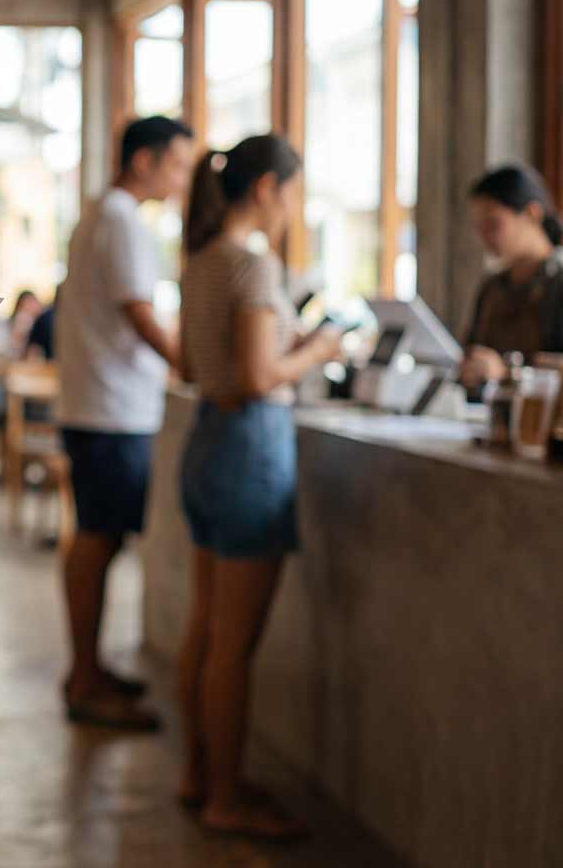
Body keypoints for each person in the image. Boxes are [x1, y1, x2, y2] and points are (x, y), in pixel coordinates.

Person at [175, 135, 342, 840]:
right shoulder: (253, 264)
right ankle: (224, 796)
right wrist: (321, 348)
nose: (295, 209)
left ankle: (198, 775)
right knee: (234, 645)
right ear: (269, 188)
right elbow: (257, 375)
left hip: (208, 443)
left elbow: (193, 363)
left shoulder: (203, 259)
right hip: (250, 449)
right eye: (295, 192)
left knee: (208, 629)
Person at [54, 116, 196, 730]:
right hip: (111, 411)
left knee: (97, 538)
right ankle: (85, 678)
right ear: (144, 161)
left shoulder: (100, 215)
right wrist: (193, 365)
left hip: (98, 404)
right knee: (98, 539)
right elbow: (141, 314)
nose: (184, 179)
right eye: (178, 164)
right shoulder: (121, 220)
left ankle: (87, 668)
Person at [458, 165, 563, 387]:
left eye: (493, 224)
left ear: (532, 213)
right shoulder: (492, 286)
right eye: (478, 227)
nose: (484, 237)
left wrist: (507, 373)